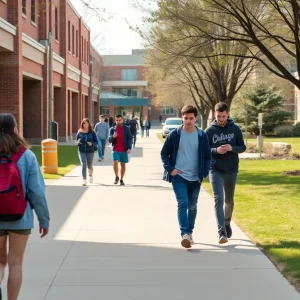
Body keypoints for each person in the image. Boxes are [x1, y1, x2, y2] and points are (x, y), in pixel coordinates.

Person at [0, 113, 50, 300]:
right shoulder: (26, 155)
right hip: (20, 217)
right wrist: (44, 219)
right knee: (15, 263)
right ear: (15, 129)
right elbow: (37, 191)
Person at [161, 105, 211, 248]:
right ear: (182, 118)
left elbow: (208, 156)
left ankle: (190, 232)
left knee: (192, 206)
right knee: (182, 203)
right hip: (179, 176)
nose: (188, 121)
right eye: (185, 118)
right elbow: (164, 153)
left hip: (196, 177)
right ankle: (184, 234)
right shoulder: (175, 135)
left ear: (196, 118)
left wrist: (205, 171)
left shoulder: (202, 136)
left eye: (191, 118)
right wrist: (170, 169)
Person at [205, 102, 246, 244]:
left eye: (223, 116)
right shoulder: (209, 131)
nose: (221, 119)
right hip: (215, 169)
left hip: (231, 169)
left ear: (228, 114)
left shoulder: (235, 129)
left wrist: (231, 148)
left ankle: (227, 222)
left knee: (229, 200)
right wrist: (216, 150)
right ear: (215, 114)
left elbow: (242, 147)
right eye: (218, 116)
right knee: (218, 199)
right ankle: (221, 231)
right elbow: (204, 151)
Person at [108, 115, 132, 186]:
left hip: (124, 150)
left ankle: (121, 179)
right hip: (115, 149)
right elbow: (109, 140)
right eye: (117, 120)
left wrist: (129, 147)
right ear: (115, 121)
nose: (118, 122)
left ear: (122, 120)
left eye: (119, 120)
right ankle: (116, 177)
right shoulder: (112, 129)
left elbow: (129, 138)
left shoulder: (126, 129)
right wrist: (113, 137)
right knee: (115, 162)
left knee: (123, 165)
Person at [76, 118, 98, 186]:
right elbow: (76, 141)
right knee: (83, 164)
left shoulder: (92, 132)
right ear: (82, 124)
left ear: (89, 124)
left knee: (89, 165)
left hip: (90, 151)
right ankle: (84, 179)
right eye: (84, 123)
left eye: (87, 123)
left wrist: (92, 144)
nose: (85, 124)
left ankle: (90, 175)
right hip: (81, 150)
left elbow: (96, 142)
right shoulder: (80, 132)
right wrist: (78, 142)